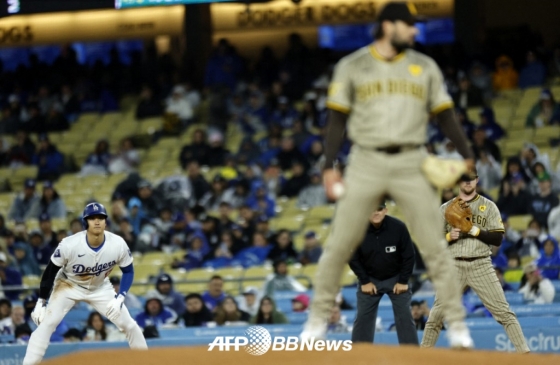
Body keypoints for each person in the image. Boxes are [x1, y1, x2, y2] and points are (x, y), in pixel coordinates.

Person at [300, 2, 475, 348]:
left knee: (434, 247)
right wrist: (328, 166)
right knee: (338, 245)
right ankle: (317, 321)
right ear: (388, 25)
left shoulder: (424, 66)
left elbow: (445, 116)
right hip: (365, 160)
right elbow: (336, 120)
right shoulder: (352, 66)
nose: (415, 31)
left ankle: (458, 327)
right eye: (410, 26)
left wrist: (468, 154)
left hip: (411, 159)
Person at [22, 202, 148, 365]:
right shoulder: (70, 244)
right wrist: (41, 301)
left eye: (101, 218)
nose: (97, 221)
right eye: (92, 218)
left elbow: (128, 271)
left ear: (106, 222)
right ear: (85, 223)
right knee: (47, 323)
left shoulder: (117, 244)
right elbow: (50, 272)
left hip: (100, 287)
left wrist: (120, 297)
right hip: (68, 285)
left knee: (130, 325)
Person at [420, 169, 530, 353]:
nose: (467, 183)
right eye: (464, 180)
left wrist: (473, 230)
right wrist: (448, 237)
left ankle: (525, 354)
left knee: (504, 313)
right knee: (436, 315)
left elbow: (497, 239)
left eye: (471, 180)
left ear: (477, 180)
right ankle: (422, 356)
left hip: (481, 264)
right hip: (453, 265)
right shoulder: (446, 208)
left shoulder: (489, 206)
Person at [349, 201, 417, 345]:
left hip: (396, 278)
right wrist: (365, 281)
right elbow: (352, 257)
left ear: (385, 211)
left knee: (404, 316)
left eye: (379, 209)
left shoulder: (398, 227)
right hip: (370, 279)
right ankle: (358, 357)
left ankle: (412, 356)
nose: (376, 212)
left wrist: (403, 281)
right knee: (362, 318)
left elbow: (409, 256)